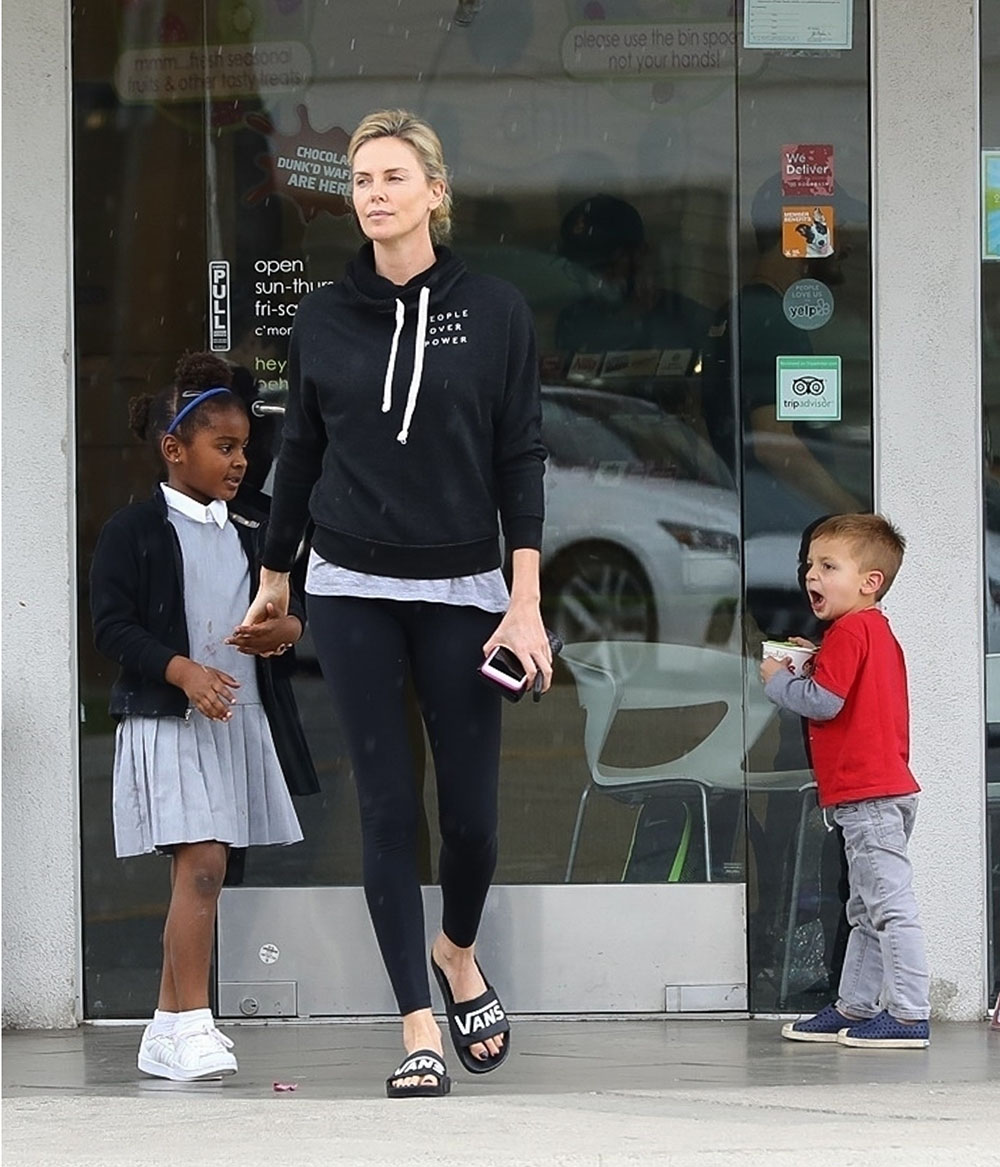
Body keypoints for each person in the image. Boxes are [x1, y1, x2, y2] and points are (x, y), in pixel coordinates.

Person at [241, 108, 551, 1098]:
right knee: (385, 812)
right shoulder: (325, 316)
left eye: (392, 176)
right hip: (351, 585)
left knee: (468, 819)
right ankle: (416, 1025)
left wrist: (526, 597)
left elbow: (519, 453)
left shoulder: (496, 308)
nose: (373, 193)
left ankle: (457, 952)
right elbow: (300, 453)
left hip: (466, 585)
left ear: (434, 192)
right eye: (361, 180)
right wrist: (278, 575)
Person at [90, 351, 312, 1081]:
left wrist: (284, 633)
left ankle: (163, 1027)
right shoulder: (134, 530)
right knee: (204, 866)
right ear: (174, 448)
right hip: (171, 722)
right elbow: (111, 626)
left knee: (209, 871)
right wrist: (182, 670)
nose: (242, 461)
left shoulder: (251, 534)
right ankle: (193, 1022)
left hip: (231, 723)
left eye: (246, 447)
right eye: (225, 447)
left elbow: (290, 616)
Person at [759, 513, 931, 1048]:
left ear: (869, 581)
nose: (812, 575)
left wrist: (780, 681)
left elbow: (825, 703)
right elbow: (844, 692)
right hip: (880, 793)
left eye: (828, 566)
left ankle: (907, 1014)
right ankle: (855, 1005)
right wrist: (811, 665)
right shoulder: (869, 632)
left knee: (888, 905)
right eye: (810, 564)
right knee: (865, 906)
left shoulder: (850, 630)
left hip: (868, 796)